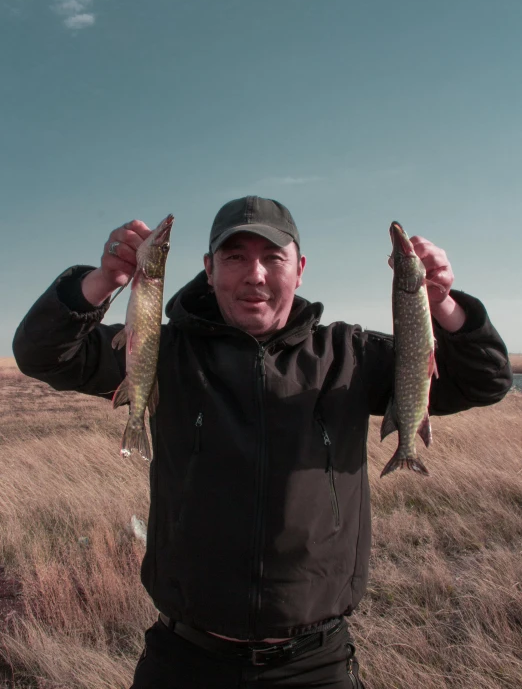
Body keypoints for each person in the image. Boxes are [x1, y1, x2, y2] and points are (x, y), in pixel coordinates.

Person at [13, 196, 512, 688]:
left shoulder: (351, 355)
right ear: (209, 269)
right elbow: (42, 353)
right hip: (184, 659)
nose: (254, 274)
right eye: (234, 257)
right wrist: (104, 282)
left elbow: (485, 380)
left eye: (273, 257)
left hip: (314, 664)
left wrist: (442, 301)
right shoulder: (165, 351)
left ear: (299, 269)